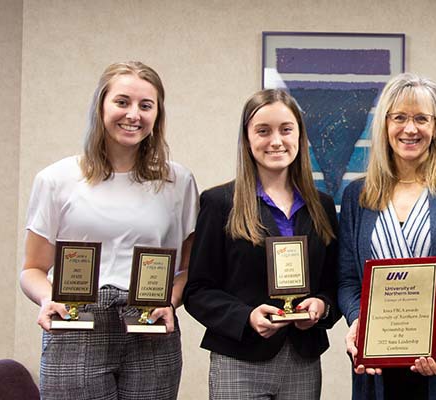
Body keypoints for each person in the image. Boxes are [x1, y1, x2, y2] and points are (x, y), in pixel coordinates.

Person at [19, 61, 197, 399]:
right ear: (101, 105)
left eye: (146, 106)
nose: (134, 114)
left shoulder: (178, 182)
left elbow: (189, 269)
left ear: (157, 115)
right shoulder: (56, 179)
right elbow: (32, 269)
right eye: (122, 102)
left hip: (150, 331)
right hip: (77, 325)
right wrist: (47, 297)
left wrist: (171, 302)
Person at [338, 72, 436, 400]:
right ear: (384, 124)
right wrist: (357, 322)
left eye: (421, 118)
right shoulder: (358, 195)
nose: (411, 129)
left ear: (435, 127)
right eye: (400, 118)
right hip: (379, 368)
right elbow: (349, 281)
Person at [183, 89, 340, 400]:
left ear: (300, 135)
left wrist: (322, 307)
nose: (276, 141)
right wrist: (246, 317)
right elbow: (197, 290)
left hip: (303, 360)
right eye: (263, 131)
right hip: (239, 359)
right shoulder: (219, 203)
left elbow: (335, 283)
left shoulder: (322, 206)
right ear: (247, 138)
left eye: (286, 129)